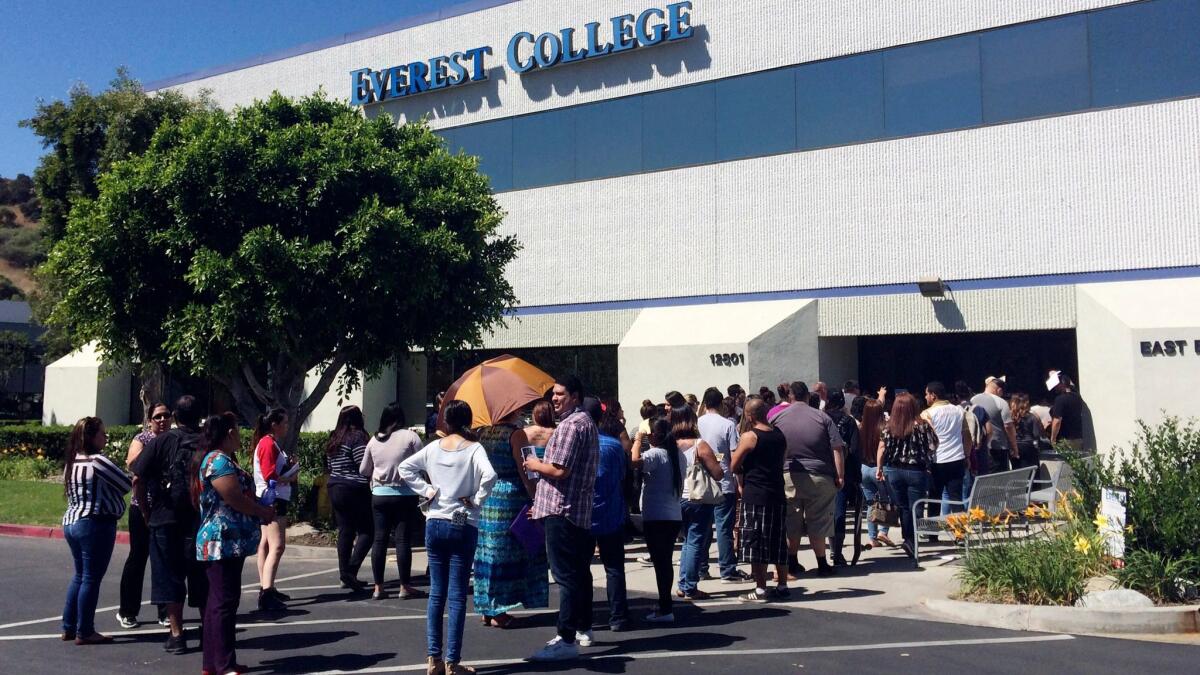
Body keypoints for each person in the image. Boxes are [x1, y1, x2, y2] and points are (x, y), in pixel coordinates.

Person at [398, 400, 497, 675]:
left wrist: (428, 491)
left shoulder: (433, 448)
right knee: (457, 596)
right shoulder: (474, 448)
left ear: (446, 421)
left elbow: (405, 468)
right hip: (462, 520)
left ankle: (433, 659)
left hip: (435, 519)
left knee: (436, 594)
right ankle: (453, 662)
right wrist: (476, 500)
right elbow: (490, 475)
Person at [523, 375, 599, 662]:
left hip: (562, 509)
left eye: (561, 394)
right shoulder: (586, 423)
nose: (555, 398)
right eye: (553, 394)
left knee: (565, 576)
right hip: (577, 509)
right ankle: (583, 627)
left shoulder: (570, 426)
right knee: (579, 573)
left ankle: (566, 637)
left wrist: (534, 463)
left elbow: (559, 470)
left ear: (576, 396)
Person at [192, 412, 274, 675]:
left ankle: (215, 662)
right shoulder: (218, 462)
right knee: (223, 603)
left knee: (220, 602)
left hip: (229, 541)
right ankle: (222, 664)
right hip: (221, 540)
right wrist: (262, 512)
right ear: (229, 433)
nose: (241, 435)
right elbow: (234, 498)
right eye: (238, 429)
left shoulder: (218, 459)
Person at [131, 394, 207, 654]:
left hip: (165, 516)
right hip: (199, 518)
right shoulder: (207, 443)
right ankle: (208, 630)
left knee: (168, 576)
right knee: (202, 576)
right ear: (200, 416)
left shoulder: (161, 441)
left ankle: (177, 634)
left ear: (175, 416)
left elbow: (137, 478)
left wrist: (146, 512)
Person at [473, 407, 548, 628]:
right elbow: (527, 470)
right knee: (509, 554)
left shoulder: (482, 433)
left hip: (488, 497)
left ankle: (487, 607)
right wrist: (536, 499)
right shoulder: (517, 435)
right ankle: (499, 609)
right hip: (510, 497)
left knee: (488, 552)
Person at [61, 416, 131, 645]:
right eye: (102, 433)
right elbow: (125, 484)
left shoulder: (73, 462)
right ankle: (85, 630)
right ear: (92, 437)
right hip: (95, 522)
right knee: (91, 577)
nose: (105, 437)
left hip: (72, 521)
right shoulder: (98, 461)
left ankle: (68, 627)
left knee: (80, 575)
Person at [771, 381, 845, 578]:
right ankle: (822, 563)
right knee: (819, 520)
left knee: (791, 520)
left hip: (787, 475)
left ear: (790, 397)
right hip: (819, 476)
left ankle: (792, 561)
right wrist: (839, 475)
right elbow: (837, 448)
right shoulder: (822, 417)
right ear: (807, 396)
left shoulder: (777, 417)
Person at [360, 402, 424, 600]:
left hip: (379, 494)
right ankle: (405, 585)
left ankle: (378, 587)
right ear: (399, 419)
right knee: (402, 540)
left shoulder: (374, 441)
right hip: (405, 494)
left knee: (380, 539)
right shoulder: (410, 437)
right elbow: (423, 463)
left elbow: (363, 470)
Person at [116, 402, 171, 629]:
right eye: (157, 416)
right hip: (142, 507)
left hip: (165, 507)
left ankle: (166, 612)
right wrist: (155, 454)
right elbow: (132, 464)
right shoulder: (142, 439)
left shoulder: (174, 439)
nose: (162, 420)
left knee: (165, 560)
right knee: (138, 558)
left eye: (166, 416)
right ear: (149, 420)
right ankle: (127, 611)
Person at [730, 398, 789, 602]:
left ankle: (761, 588)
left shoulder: (750, 436)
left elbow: (733, 464)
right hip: (777, 491)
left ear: (749, 415)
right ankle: (782, 584)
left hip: (756, 493)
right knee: (778, 539)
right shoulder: (779, 434)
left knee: (757, 541)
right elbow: (781, 460)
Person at [632, 417, 685, 620]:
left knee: (661, 563)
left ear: (654, 435)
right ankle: (665, 604)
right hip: (672, 515)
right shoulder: (676, 454)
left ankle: (666, 608)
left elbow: (634, 461)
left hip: (656, 517)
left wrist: (638, 439)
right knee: (664, 561)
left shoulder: (655, 454)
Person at [673, 405, 725, 600]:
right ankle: (689, 586)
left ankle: (683, 582)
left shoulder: (670, 444)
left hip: (678, 496)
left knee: (687, 541)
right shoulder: (699, 444)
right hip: (697, 496)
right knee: (695, 542)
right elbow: (718, 473)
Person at [876, 393, 938, 558]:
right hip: (917, 470)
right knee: (916, 506)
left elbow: (882, 447)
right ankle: (912, 539)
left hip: (894, 470)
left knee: (903, 507)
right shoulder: (922, 425)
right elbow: (933, 445)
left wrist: (879, 467)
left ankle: (908, 538)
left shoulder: (889, 426)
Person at [698, 387, 750, 583]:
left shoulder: (697, 423)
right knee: (724, 528)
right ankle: (727, 568)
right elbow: (735, 454)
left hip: (702, 481)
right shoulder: (727, 424)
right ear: (720, 404)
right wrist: (740, 480)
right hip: (724, 480)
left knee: (702, 527)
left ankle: (702, 567)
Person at [252, 408, 297, 611]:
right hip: (273, 497)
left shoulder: (269, 443)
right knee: (277, 546)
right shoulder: (268, 443)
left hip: (268, 496)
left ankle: (267, 586)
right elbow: (270, 474)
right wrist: (290, 477)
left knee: (266, 544)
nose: (287, 426)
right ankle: (266, 592)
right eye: (285, 423)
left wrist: (287, 467)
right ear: (274, 424)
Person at [325, 405, 372, 593]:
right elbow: (363, 465)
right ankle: (351, 570)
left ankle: (344, 574)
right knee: (368, 530)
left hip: (335, 486)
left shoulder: (334, 437)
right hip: (355, 487)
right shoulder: (358, 436)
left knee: (345, 531)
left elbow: (329, 463)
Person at [592, 401, 630, 631]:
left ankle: (583, 618)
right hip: (611, 512)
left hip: (584, 515)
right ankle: (618, 616)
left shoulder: (576, 443)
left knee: (580, 569)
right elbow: (623, 474)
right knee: (614, 568)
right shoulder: (614, 445)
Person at [921, 382, 972, 517]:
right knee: (956, 497)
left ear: (933, 395)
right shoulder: (959, 410)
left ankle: (932, 534)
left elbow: (926, 440)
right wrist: (967, 456)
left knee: (934, 498)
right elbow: (967, 435)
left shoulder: (927, 413)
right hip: (957, 458)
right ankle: (959, 532)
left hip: (937, 460)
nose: (925, 397)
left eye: (927, 394)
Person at [826, 390, 860, 566]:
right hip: (842, 472)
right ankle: (837, 552)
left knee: (825, 513)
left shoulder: (820, 418)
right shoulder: (849, 421)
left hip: (822, 471)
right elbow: (854, 450)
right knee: (839, 511)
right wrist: (856, 476)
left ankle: (829, 550)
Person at [856, 399, 892, 548]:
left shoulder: (860, 428)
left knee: (871, 503)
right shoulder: (884, 427)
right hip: (880, 468)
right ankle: (883, 531)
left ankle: (872, 538)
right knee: (886, 501)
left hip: (864, 468)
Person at [971, 376, 1018, 474]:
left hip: (977, 446)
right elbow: (1008, 426)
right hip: (998, 447)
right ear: (999, 390)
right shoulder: (1001, 402)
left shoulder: (972, 400)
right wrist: (1014, 447)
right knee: (999, 479)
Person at [1048, 371, 1085, 451]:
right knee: (1076, 462)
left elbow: (1057, 421)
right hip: (1078, 438)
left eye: (1056, 385)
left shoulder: (1060, 400)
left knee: (1064, 463)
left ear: (1062, 384)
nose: (1055, 387)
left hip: (1065, 440)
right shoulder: (1077, 397)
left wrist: (1053, 438)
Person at [1011, 393, 1047, 470]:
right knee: (1032, 472)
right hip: (1028, 446)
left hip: (1014, 446)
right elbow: (1036, 434)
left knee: (1016, 471)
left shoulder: (1010, 417)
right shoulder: (1031, 417)